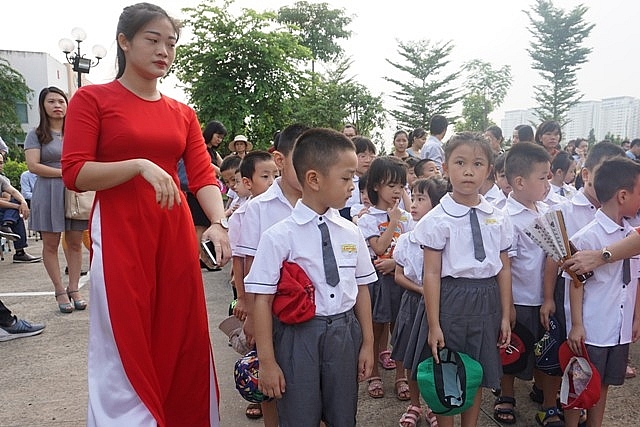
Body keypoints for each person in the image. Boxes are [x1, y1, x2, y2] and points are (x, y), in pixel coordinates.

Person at [60, 4, 230, 426]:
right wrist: (137, 165)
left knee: (181, 332)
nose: (163, 51)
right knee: (125, 334)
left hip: (172, 232)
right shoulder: (92, 98)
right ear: (124, 41)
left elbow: (203, 175)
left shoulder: (182, 112)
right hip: (120, 230)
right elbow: (75, 172)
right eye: (152, 40)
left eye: (170, 43)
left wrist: (219, 222)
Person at [245, 128, 376, 427]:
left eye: (353, 178)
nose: (352, 186)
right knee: (299, 416)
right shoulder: (279, 236)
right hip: (297, 337)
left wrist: (367, 343)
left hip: (344, 333)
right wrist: (267, 361)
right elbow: (261, 301)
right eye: (345, 178)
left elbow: (362, 289)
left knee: (343, 415)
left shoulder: (351, 232)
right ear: (314, 179)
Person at [408, 131, 513, 427]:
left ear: (489, 170)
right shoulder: (436, 220)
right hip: (450, 301)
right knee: (449, 371)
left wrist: (505, 315)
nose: (469, 171)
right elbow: (431, 273)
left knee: (476, 373)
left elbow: (504, 268)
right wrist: (433, 324)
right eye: (460, 162)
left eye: (478, 164)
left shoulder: (499, 216)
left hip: (487, 302)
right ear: (445, 167)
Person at [236, 123, 309, 427]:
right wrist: (251, 313)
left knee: (308, 386)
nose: (309, 169)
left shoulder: (321, 203)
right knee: (272, 388)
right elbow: (250, 265)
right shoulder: (259, 207)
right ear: (280, 160)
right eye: (301, 160)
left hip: (311, 312)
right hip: (272, 312)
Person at [562, 157, 640, 427]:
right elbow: (575, 282)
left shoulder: (631, 234)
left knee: (604, 383)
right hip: (593, 329)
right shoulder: (588, 236)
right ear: (622, 195)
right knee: (578, 383)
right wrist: (577, 324)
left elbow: (635, 279)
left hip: (617, 328)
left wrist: (635, 316)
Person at [495, 142, 559, 426]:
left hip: (545, 297)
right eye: (543, 177)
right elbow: (506, 266)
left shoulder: (546, 210)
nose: (548, 183)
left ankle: (547, 402)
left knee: (547, 351)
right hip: (519, 299)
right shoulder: (506, 218)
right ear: (519, 182)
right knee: (511, 349)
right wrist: (507, 308)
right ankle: (506, 395)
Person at [23, 86, 86, 313]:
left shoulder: (77, 131)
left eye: (61, 101)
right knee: (51, 243)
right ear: (43, 105)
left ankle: (74, 287)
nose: (57, 105)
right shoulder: (36, 133)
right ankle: (59, 289)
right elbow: (33, 166)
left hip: (74, 192)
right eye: (51, 101)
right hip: (48, 191)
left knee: (76, 242)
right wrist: (64, 172)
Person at [392, 177, 447, 427]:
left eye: (421, 199)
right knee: (409, 354)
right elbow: (399, 276)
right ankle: (414, 404)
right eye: (412, 198)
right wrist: (421, 289)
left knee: (433, 356)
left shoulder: (443, 238)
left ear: (436, 205)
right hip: (412, 304)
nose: (413, 204)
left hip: (436, 306)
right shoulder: (406, 240)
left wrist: (431, 292)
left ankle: (435, 406)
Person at [227, 150, 278, 420]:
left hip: (275, 294)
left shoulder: (284, 205)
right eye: (265, 176)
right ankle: (257, 394)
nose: (272, 181)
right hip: (251, 292)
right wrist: (243, 299)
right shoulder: (243, 214)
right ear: (247, 183)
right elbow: (239, 259)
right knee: (256, 346)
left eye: (275, 175)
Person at [357, 156, 413, 400]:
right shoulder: (367, 218)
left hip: (399, 277)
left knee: (400, 328)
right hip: (377, 280)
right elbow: (378, 247)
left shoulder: (407, 218)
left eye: (401, 186)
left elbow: (412, 249)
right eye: (392, 186)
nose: (397, 192)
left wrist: (396, 263)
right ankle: (374, 374)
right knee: (377, 327)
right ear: (376, 185)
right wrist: (393, 221)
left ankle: (401, 375)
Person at [0, 168, 41, 263]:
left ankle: (7, 224)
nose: (0, 165)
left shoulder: (1, 179)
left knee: (17, 202)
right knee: (16, 211)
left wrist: (23, 203)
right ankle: (20, 253)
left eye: (1, 162)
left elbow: (14, 192)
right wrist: (18, 206)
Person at [340, 136, 376, 220]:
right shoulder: (343, 182)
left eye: (371, 156)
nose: (368, 160)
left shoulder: (376, 182)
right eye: (362, 156)